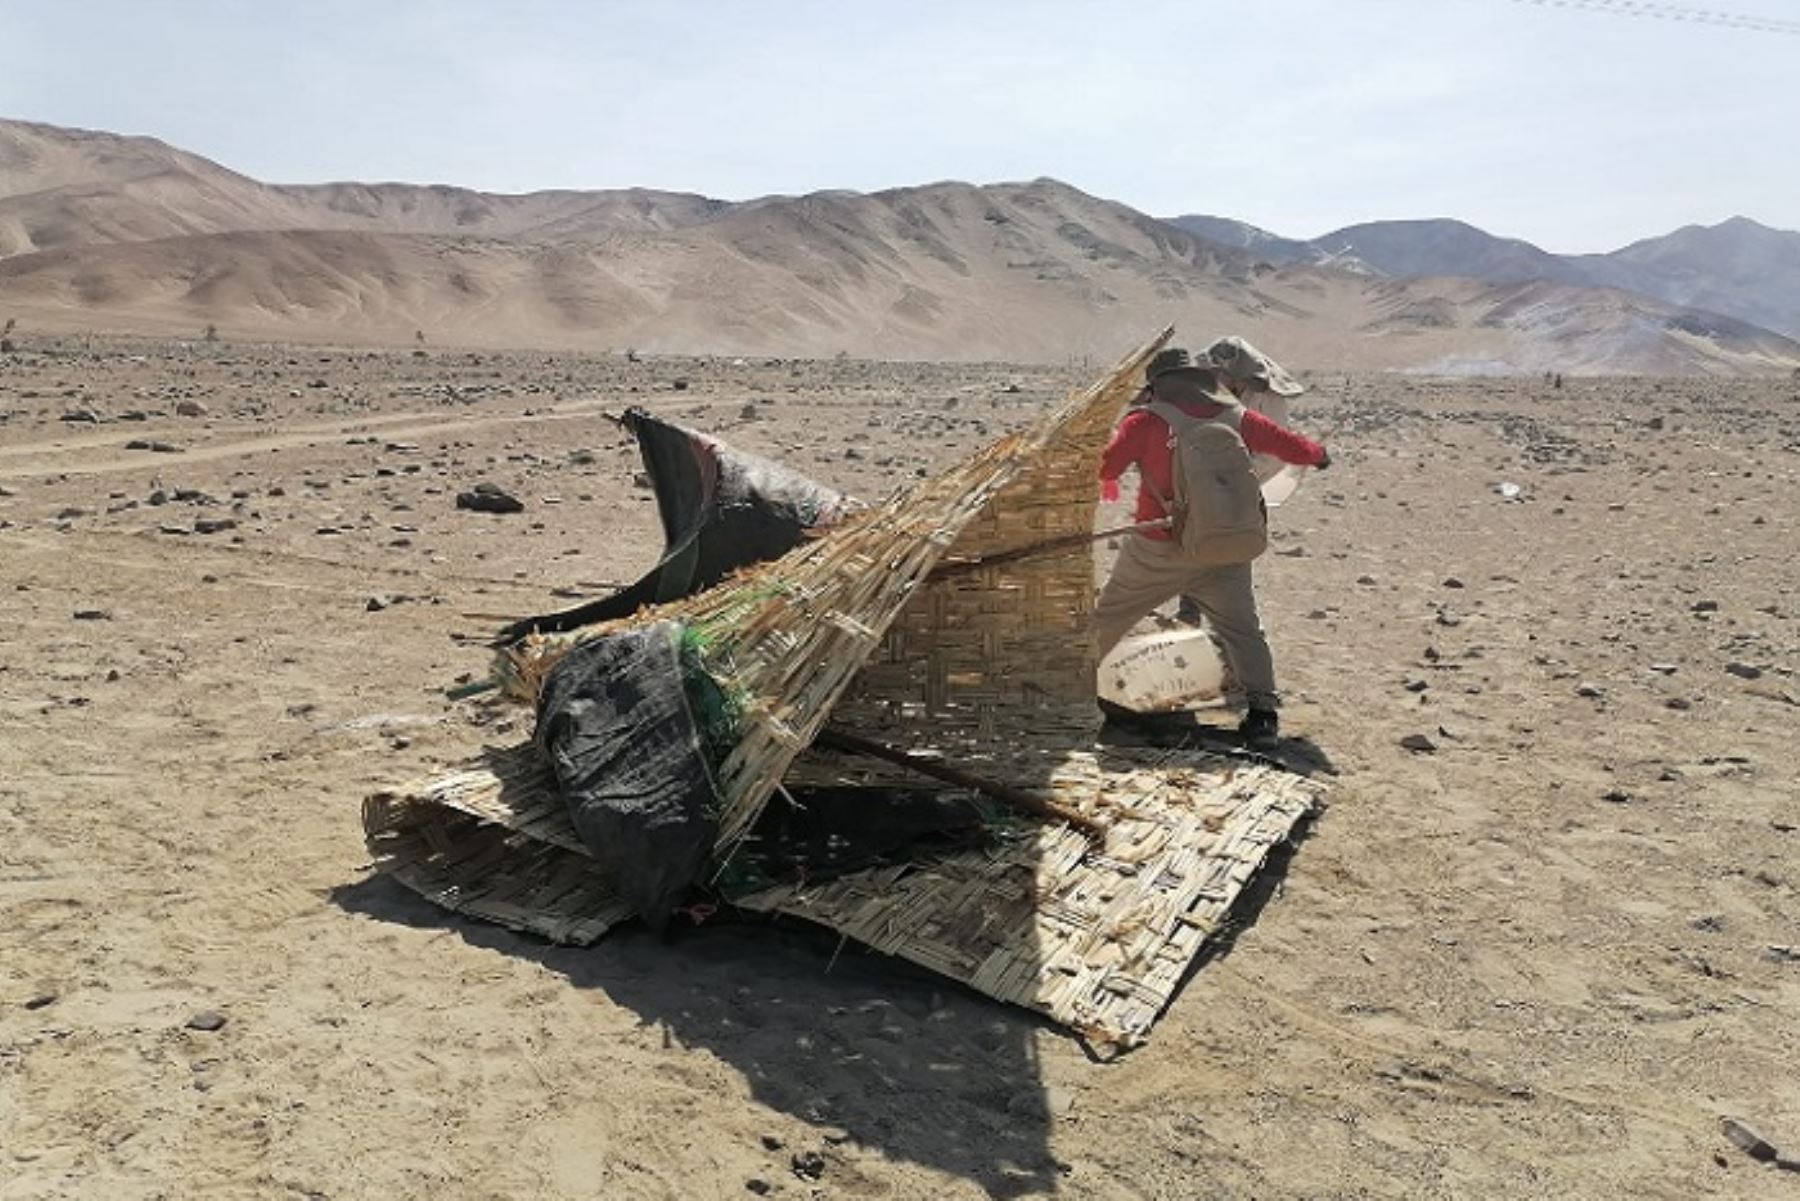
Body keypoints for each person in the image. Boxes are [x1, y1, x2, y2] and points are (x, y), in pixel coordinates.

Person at [1094, 344, 1329, 749]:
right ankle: (1262, 715)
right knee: (1242, 630)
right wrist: (1319, 454)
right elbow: (1291, 447)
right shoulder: (1238, 417)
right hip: (1224, 547)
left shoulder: (1144, 422)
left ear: (1157, 387)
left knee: (1108, 619)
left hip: (1158, 549)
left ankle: (1073, 692)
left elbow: (1106, 467)